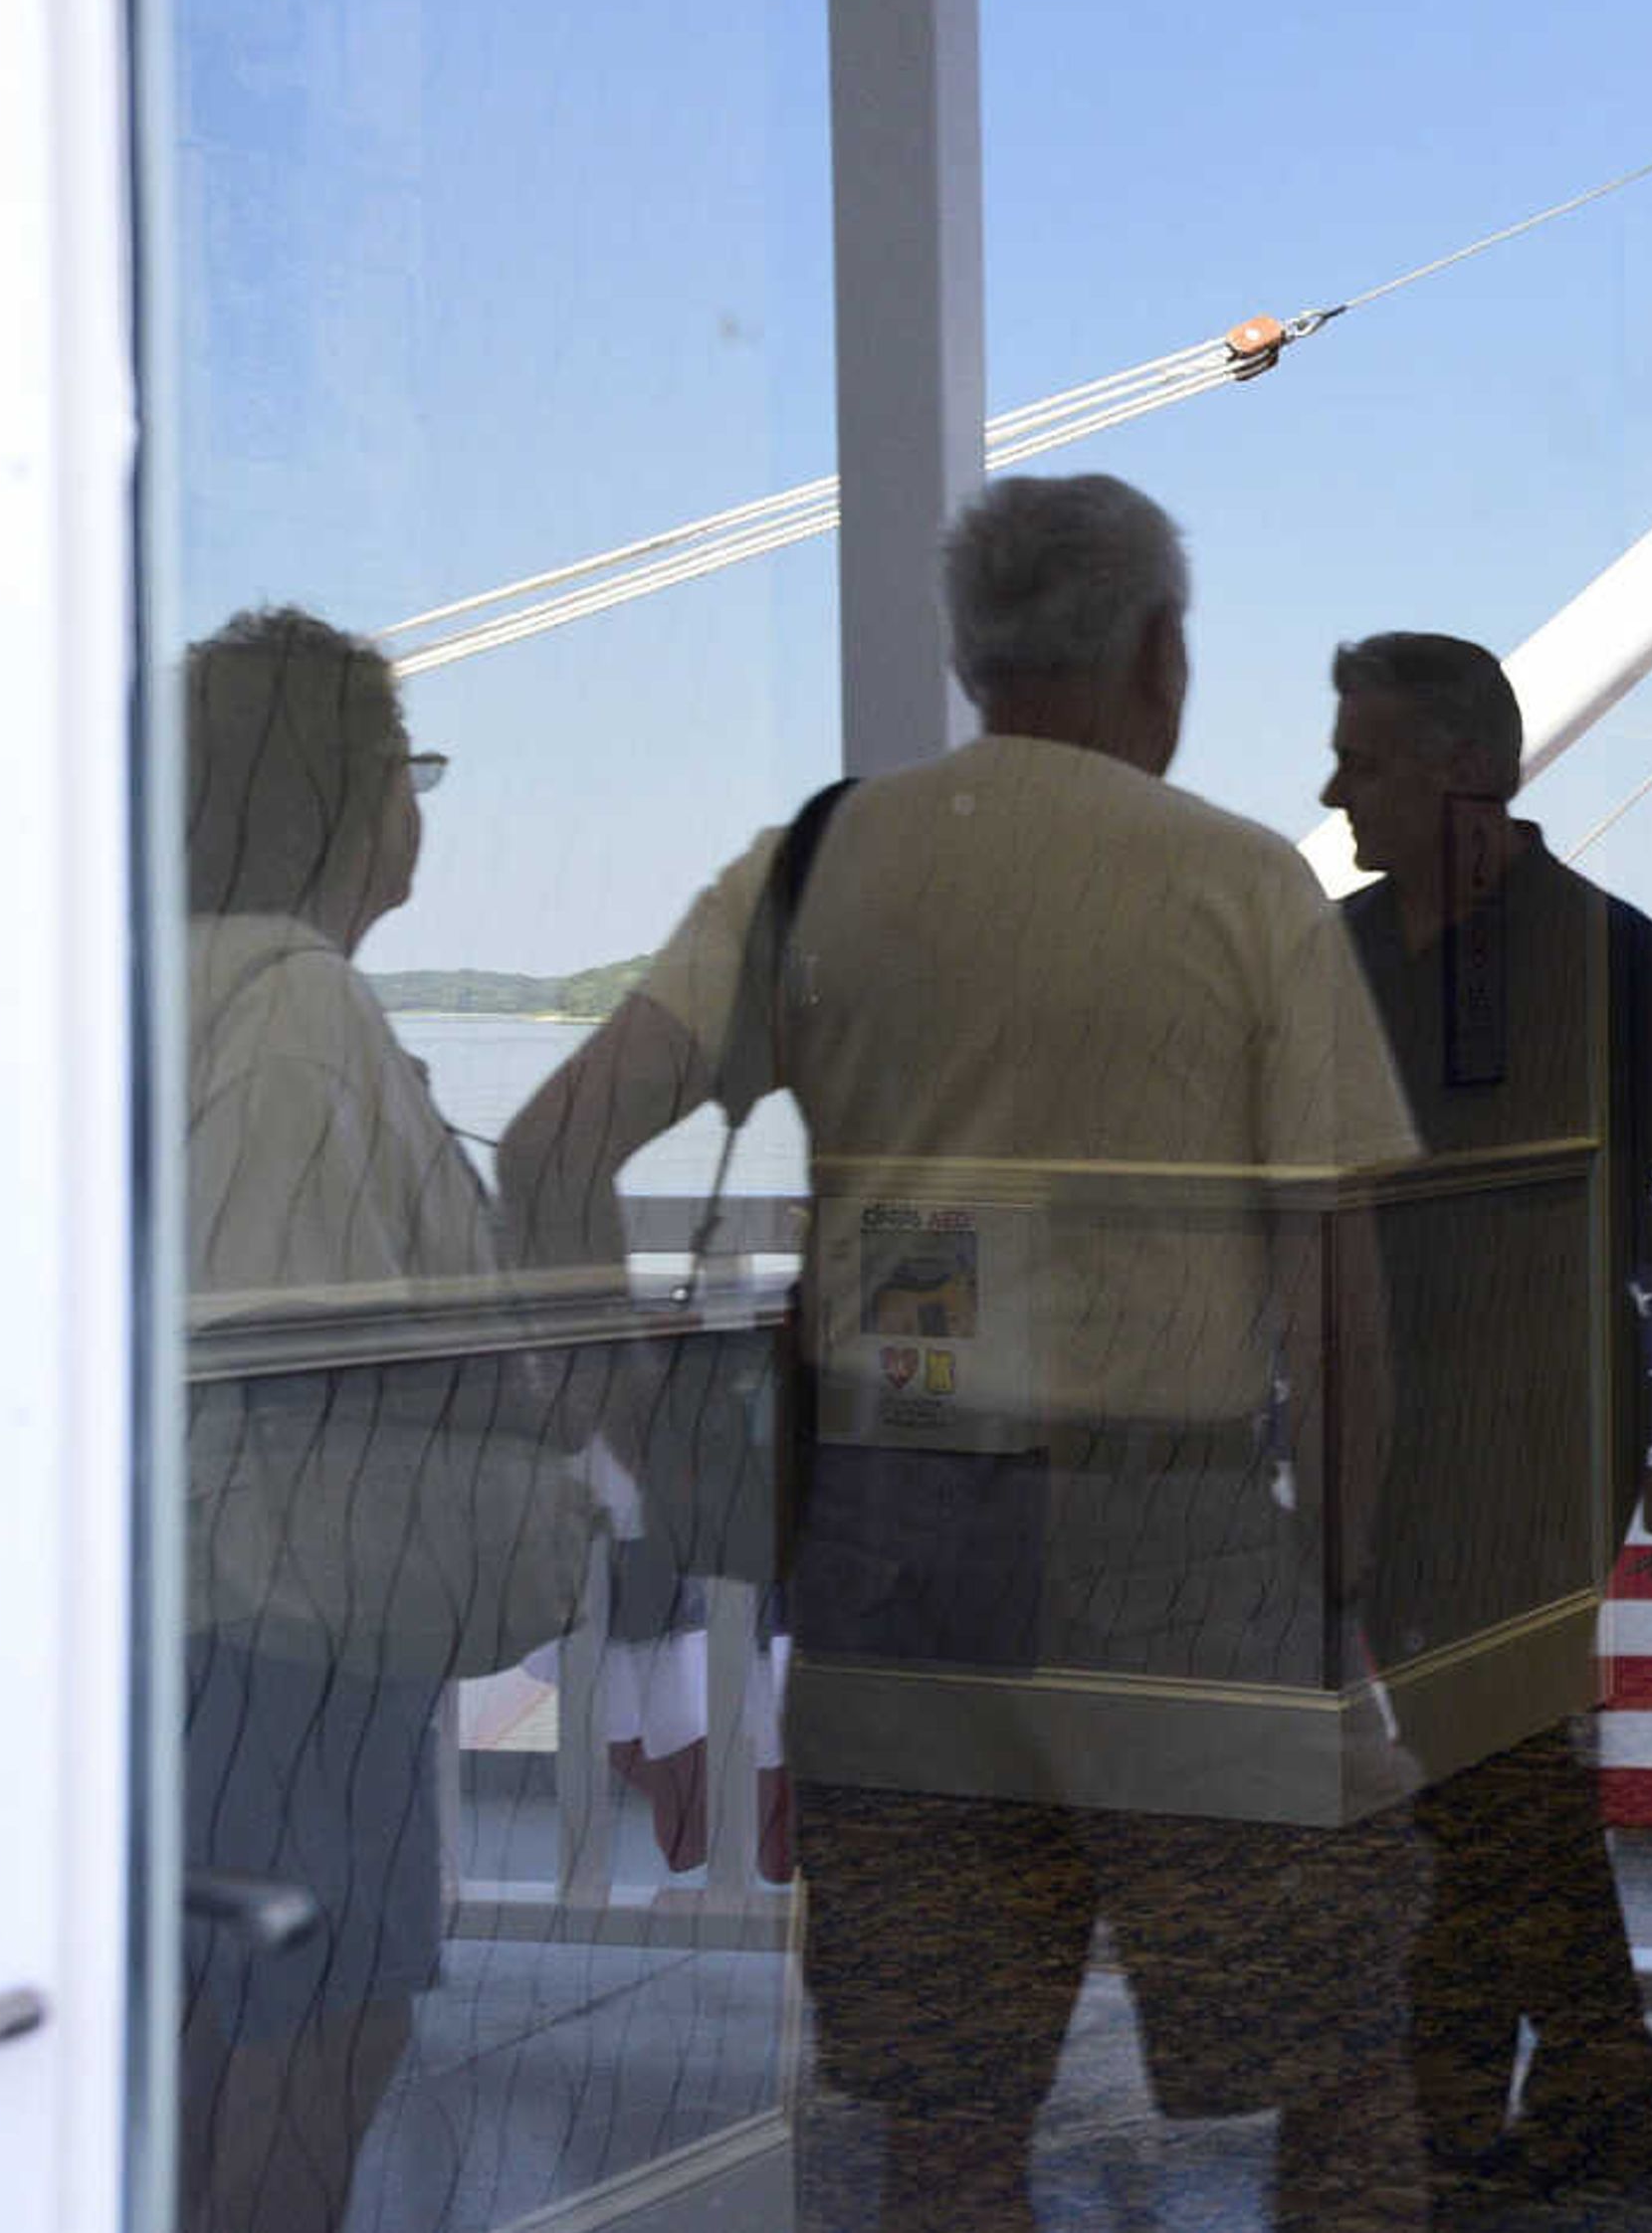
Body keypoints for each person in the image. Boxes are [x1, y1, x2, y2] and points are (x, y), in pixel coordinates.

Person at [498, 475, 1430, 2232]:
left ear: (966, 651)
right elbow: (1339, 1299)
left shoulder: (821, 862)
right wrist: (1341, 1591)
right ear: (1162, 650)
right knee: (1342, 2057)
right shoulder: (1244, 887)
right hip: (1179, 1552)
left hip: (892, 1548)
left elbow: (551, 1147)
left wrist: (616, 1419)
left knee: (945, 2115)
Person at [1321, 632, 1652, 2227]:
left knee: (1486, 1761)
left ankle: (1551, 2087)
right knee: (1484, 1772)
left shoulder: (1615, 956)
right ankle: (1546, 2087)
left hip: (1546, 1434)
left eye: (1362, 756)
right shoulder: (1338, 957)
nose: (1333, 786)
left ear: (1465, 771)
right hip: (1372, 1437)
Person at [174, 607, 497, 2233]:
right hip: (293, 1656)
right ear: (346, 795)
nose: (420, 808)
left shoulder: (167, 985)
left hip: (199, 1651)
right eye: (409, 768)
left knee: (195, 2065)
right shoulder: (296, 1008)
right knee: (307, 2061)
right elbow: (294, 1383)